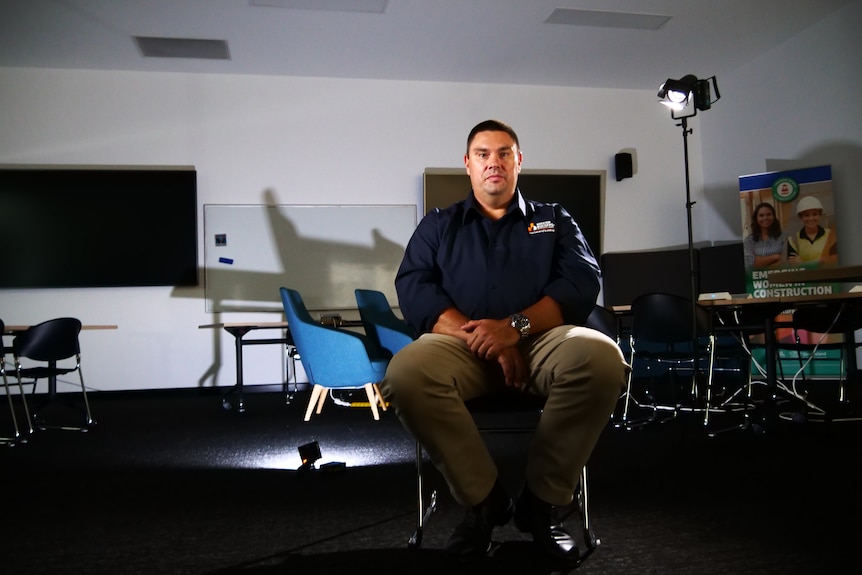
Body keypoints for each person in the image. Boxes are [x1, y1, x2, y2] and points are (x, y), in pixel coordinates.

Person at [379, 120, 629, 565]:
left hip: (542, 341)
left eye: (503, 152)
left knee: (603, 357)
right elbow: (414, 287)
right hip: (461, 346)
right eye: (482, 154)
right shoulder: (439, 225)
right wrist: (490, 340)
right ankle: (484, 502)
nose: (493, 162)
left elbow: (581, 280)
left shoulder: (553, 219)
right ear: (468, 164)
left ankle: (542, 504)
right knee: (405, 371)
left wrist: (514, 329)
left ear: (518, 161)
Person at [786, 195, 837, 267]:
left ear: (820, 215)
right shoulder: (793, 240)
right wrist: (820, 260)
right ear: (801, 217)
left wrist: (804, 263)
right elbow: (794, 267)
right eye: (806, 215)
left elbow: (834, 260)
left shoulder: (830, 235)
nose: (811, 218)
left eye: (815, 214)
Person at [743, 202, 785, 269]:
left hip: (780, 277)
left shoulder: (783, 237)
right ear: (756, 218)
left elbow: (787, 260)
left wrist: (759, 260)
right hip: (757, 278)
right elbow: (749, 263)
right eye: (761, 215)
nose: (765, 218)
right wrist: (776, 256)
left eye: (768, 214)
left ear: (774, 217)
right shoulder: (749, 240)